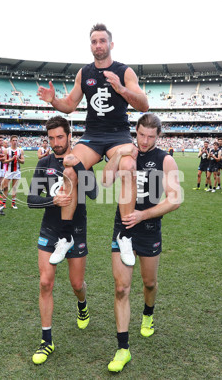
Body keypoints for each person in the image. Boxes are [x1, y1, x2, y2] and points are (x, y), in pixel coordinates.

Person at [37, 23, 149, 266]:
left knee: (129, 166)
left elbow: (144, 104)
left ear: (111, 44)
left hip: (118, 134)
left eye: (102, 41)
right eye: (94, 41)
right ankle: (65, 235)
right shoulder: (84, 73)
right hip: (93, 135)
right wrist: (53, 100)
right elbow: (69, 105)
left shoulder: (124, 71)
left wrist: (120, 88)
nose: (98, 45)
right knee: (69, 167)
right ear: (91, 45)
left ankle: (125, 236)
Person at [102, 113, 181, 373]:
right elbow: (105, 181)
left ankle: (148, 313)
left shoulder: (165, 160)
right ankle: (122, 349)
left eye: (150, 136)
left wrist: (143, 214)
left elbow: (175, 200)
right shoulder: (127, 154)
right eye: (141, 135)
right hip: (124, 224)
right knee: (121, 288)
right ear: (135, 131)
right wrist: (120, 154)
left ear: (159, 136)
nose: (145, 141)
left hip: (148, 226)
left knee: (149, 282)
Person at [28, 116, 97, 365]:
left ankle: (82, 304)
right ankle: (47, 340)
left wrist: (79, 167)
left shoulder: (82, 162)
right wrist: (51, 200)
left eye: (60, 137)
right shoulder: (44, 163)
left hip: (76, 230)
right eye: (51, 138)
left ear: (70, 136)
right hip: (50, 229)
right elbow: (31, 199)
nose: (56, 143)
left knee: (77, 284)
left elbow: (94, 193)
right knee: (45, 283)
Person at [0, 135, 24, 209]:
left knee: (14, 188)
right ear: (10, 142)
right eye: (13, 140)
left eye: (16, 140)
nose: (14, 142)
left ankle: (13, 203)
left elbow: (23, 161)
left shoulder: (21, 150)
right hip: (8, 171)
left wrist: (18, 159)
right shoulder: (6, 150)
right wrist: (11, 159)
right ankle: (3, 203)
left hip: (17, 171)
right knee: (5, 187)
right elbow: (3, 161)